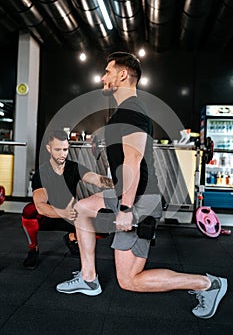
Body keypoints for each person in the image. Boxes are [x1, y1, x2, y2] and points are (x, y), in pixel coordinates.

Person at [56, 52, 227, 319]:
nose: (103, 77)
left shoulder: (131, 110)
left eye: (107, 71)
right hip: (128, 193)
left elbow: (133, 161)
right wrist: (103, 136)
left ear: (122, 75)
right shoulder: (124, 113)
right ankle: (89, 277)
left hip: (138, 199)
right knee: (82, 209)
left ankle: (208, 284)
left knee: (130, 280)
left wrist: (125, 209)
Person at [22, 129, 113, 269]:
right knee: (29, 211)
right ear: (49, 148)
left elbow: (96, 179)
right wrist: (62, 212)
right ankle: (33, 248)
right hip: (49, 216)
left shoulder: (74, 167)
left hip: (71, 215)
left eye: (65, 149)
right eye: (57, 149)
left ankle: (71, 237)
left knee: (103, 229)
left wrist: (117, 184)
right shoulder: (42, 173)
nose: (62, 154)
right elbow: (40, 206)